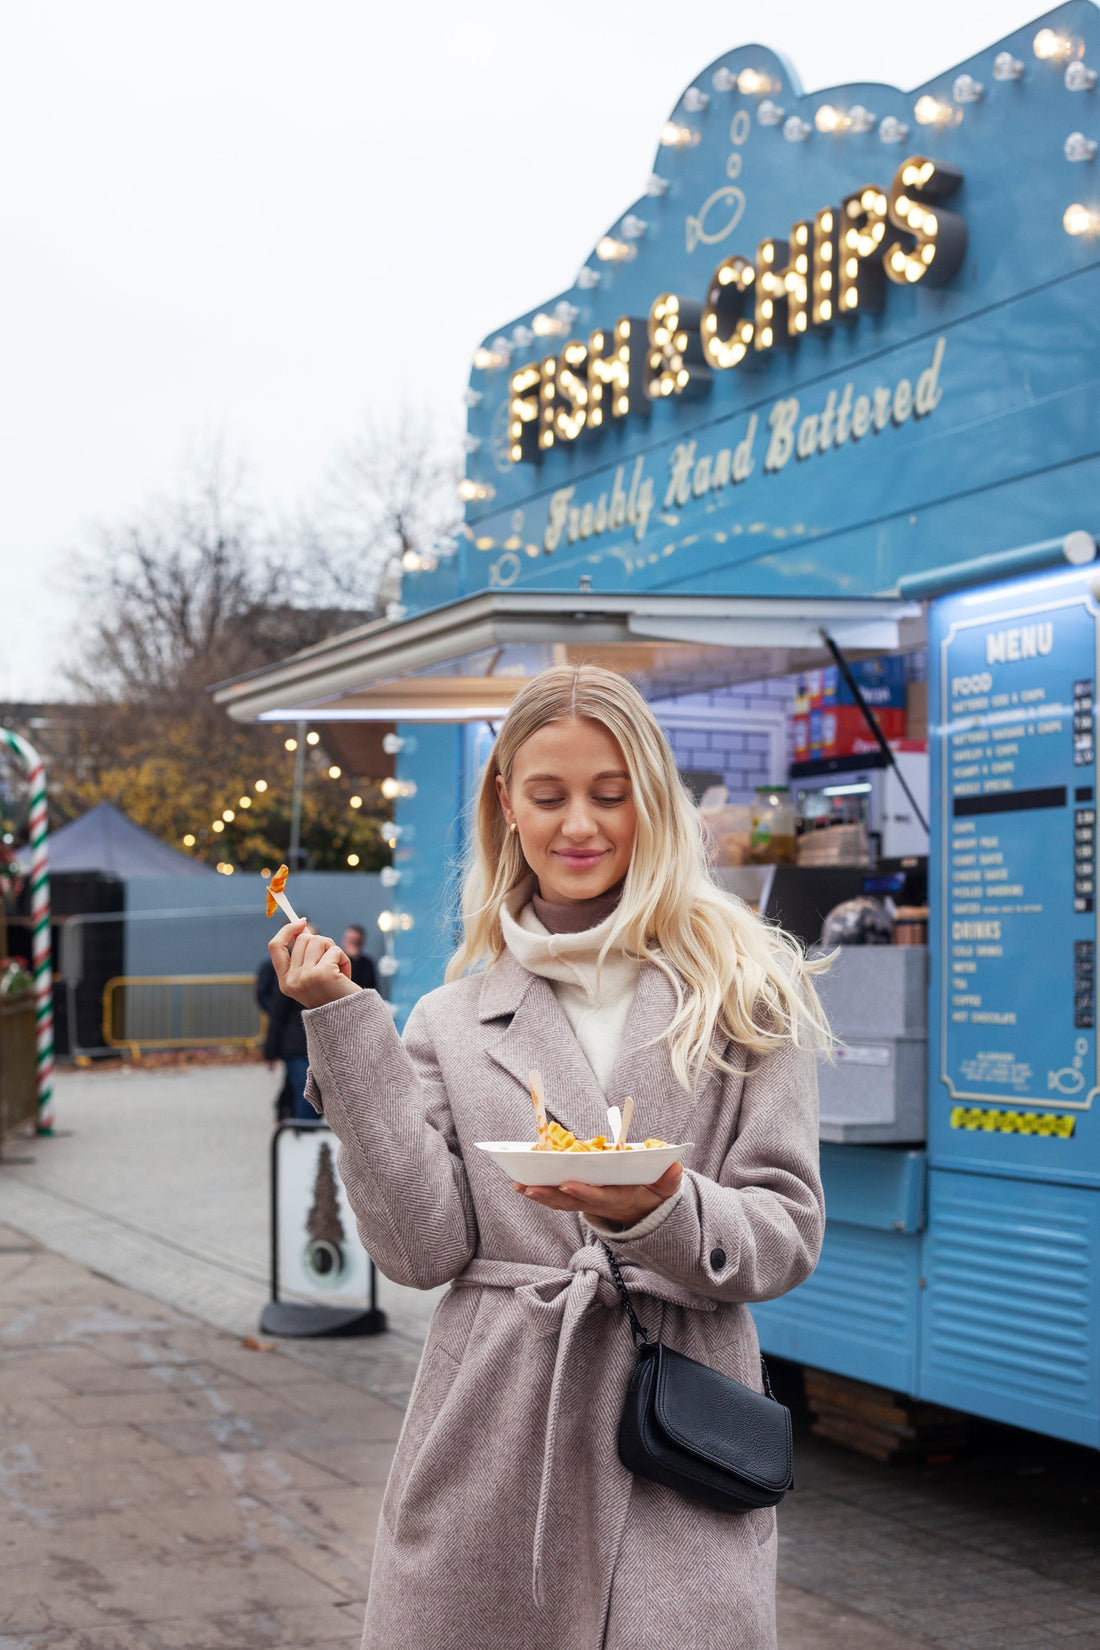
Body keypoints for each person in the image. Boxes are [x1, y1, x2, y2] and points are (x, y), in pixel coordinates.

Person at [267, 664, 830, 1650]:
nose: (580, 825)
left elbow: (783, 1232)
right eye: (549, 794)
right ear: (504, 805)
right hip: (493, 1432)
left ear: (651, 800)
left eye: (609, 795)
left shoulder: (745, 990)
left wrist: (663, 1207)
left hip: (677, 1430)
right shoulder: (450, 1015)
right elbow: (418, 1250)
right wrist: (341, 1030)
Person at [263, 922, 318, 1122]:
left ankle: (300, 1129)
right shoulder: (289, 976)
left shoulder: (324, 972)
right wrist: (270, 1050)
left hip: (315, 1046)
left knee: (311, 1093)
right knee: (306, 1094)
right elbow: (277, 1015)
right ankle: (303, 1135)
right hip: (296, 1046)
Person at [340, 923, 377, 991]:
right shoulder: (336, 959)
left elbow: (369, 988)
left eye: (354, 941)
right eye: (348, 939)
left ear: (361, 943)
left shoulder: (367, 963)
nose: (349, 944)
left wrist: (355, 960)